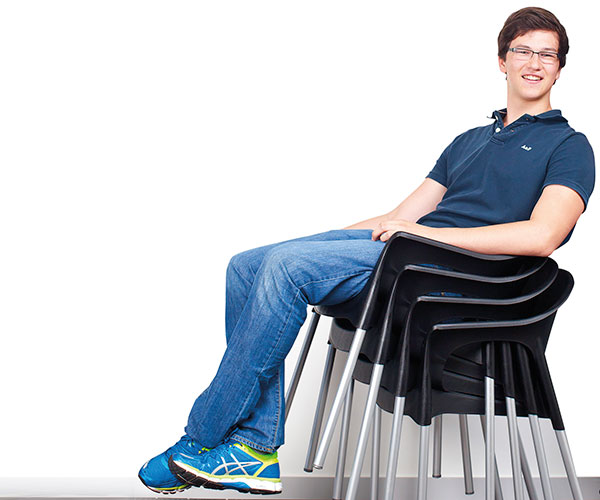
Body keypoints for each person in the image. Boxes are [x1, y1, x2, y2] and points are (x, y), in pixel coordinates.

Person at [138, 6, 595, 495]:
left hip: (451, 273)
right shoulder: (469, 141)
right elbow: (398, 217)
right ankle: (253, 446)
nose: (534, 63)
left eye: (547, 55)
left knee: (287, 268)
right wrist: (319, 245)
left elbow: (542, 236)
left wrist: (422, 238)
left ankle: (206, 440)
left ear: (560, 69)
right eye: (523, 51)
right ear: (502, 61)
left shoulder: (570, 146)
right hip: (410, 252)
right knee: (250, 265)